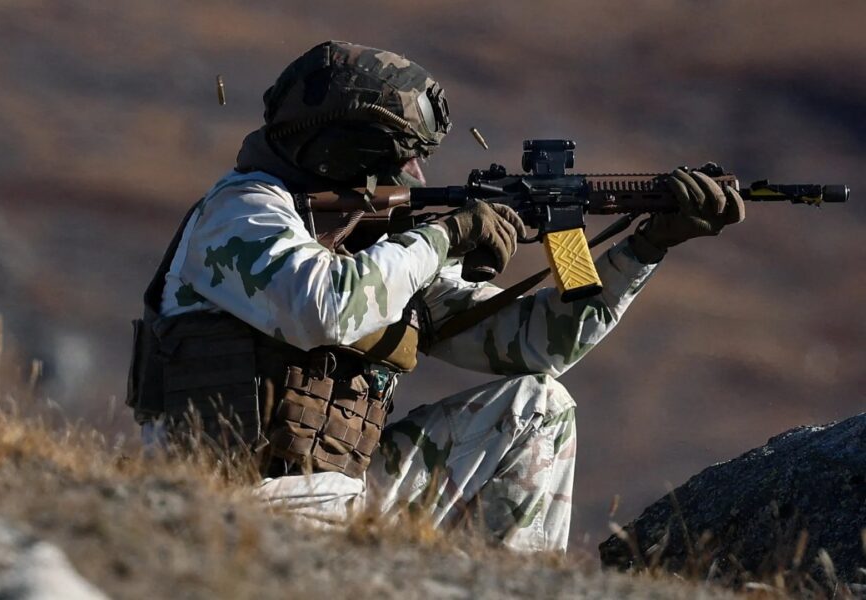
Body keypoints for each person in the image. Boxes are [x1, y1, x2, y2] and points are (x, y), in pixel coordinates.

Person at [126, 40, 744, 553]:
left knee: (538, 405)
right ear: (348, 152)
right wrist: (446, 236)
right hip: (226, 504)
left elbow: (537, 345)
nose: (417, 175)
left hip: (343, 499)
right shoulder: (241, 213)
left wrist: (642, 248)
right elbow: (325, 307)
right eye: (404, 156)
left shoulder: (380, 249)